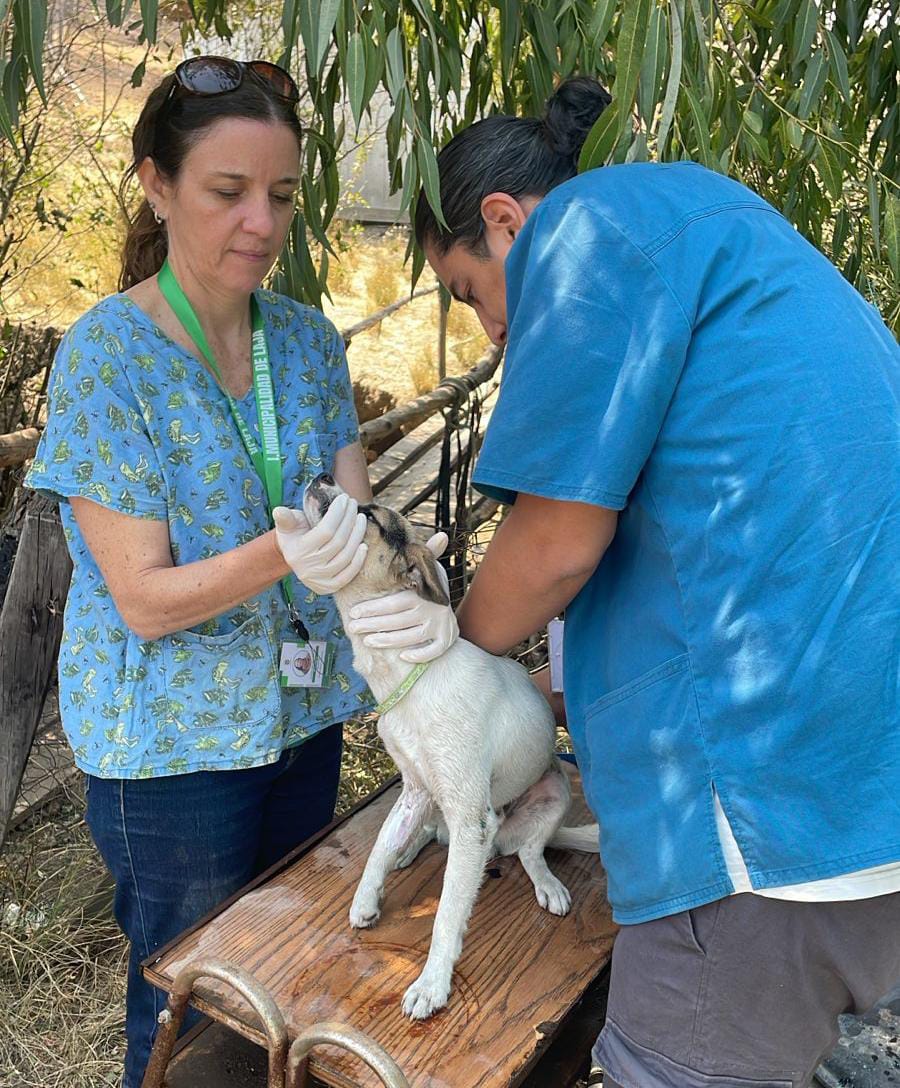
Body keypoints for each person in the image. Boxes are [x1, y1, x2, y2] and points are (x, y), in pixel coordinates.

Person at [347, 76, 900, 1088]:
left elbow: (555, 543)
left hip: (765, 814)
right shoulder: (706, 212)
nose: (490, 334)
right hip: (864, 778)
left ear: (505, 222)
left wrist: (452, 672)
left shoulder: (589, 243)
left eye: (471, 292)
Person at [25, 56, 452, 1087]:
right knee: (187, 1001)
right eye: (228, 191)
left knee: (282, 980)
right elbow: (143, 598)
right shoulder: (108, 356)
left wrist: (415, 594)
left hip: (300, 721)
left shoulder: (302, 340)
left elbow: (363, 515)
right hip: (170, 751)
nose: (262, 222)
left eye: (283, 195)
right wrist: (290, 549)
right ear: (156, 185)